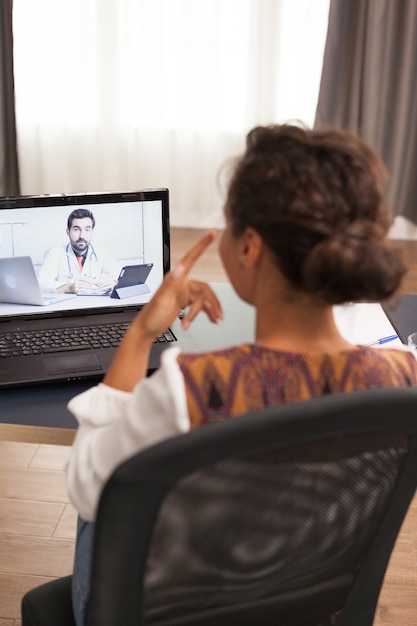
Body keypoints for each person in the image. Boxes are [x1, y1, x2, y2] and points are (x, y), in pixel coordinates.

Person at [66, 124, 417, 625]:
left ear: (249, 247)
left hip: (174, 609)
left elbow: (85, 485)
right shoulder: (403, 378)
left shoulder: (191, 386)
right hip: (304, 605)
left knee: (100, 479)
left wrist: (142, 332)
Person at [38, 208, 121, 294]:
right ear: (68, 232)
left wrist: (114, 283)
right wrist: (69, 288)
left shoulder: (103, 253)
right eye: (76, 229)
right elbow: (41, 284)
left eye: (87, 229)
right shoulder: (55, 253)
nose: (82, 236)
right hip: (68, 306)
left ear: (92, 231)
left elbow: (120, 278)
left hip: (97, 304)